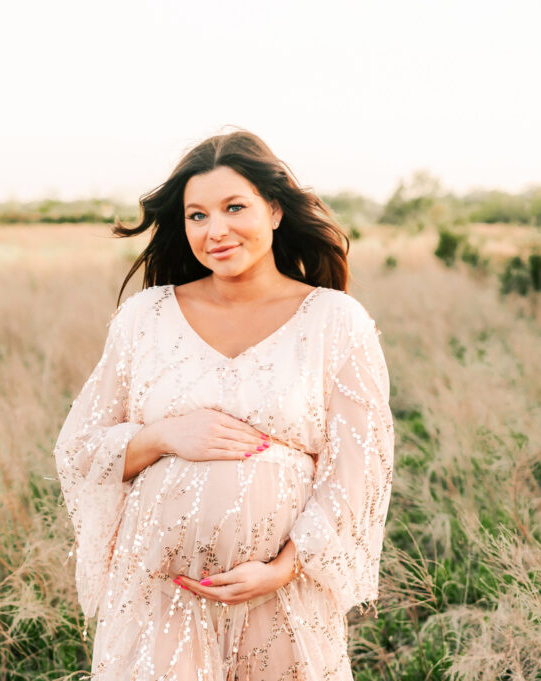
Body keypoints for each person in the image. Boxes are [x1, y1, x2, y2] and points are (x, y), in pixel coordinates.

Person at [53, 129, 395, 680]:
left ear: (275, 210)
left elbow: (359, 465)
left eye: (235, 207)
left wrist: (285, 568)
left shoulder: (335, 321)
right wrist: (163, 437)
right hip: (158, 593)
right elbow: (79, 448)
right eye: (197, 215)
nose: (216, 231)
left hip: (281, 597)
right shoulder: (146, 318)